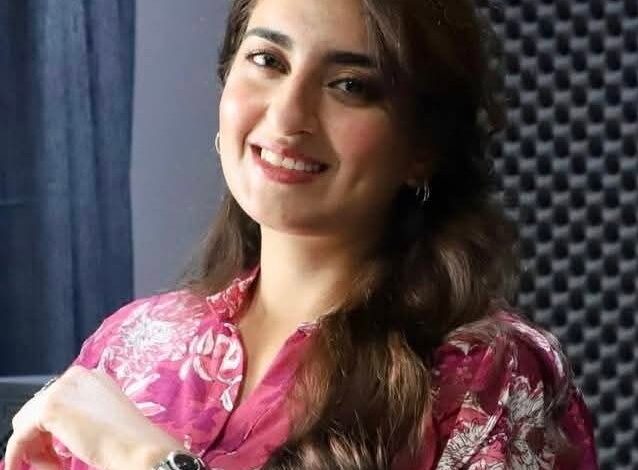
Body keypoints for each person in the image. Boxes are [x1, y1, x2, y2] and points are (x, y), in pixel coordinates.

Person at [3, 0, 598, 468]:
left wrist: (152, 462)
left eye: (350, 85)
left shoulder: (489, 375)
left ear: (422, 147)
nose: (288, 116)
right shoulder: (132, 343)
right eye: (268, 60)